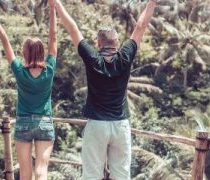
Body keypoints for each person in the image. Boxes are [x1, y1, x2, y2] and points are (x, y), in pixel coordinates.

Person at [53, 0, 157, 179]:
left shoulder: (93, 58)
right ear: (117, 43)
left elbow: (72, 28)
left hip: (97, 125)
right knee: (122, 175)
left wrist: (55, 2)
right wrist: (153, 2)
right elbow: (140, 26)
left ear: (98, 43)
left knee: (91, 175)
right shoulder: (125, 56)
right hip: (120, 125)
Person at [0, 0, 57, 179]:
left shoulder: (19, 71)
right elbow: (53, 37)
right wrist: (53, 9)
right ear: (41, 52)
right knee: (41, 170)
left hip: (23, 122)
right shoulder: (50, 69)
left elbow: (5, 40)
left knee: (25, 173)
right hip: (45, 122)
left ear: (25, 53)